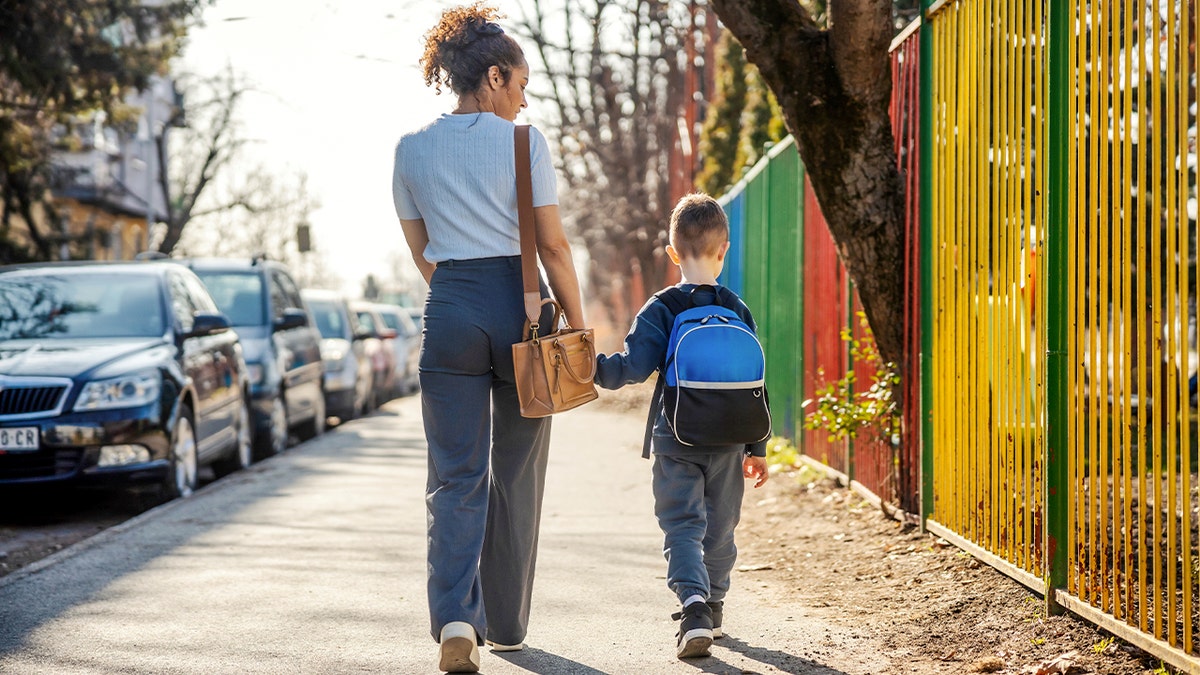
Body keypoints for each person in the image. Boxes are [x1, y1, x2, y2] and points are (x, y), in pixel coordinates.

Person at [391, 5, 585, 673]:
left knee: (455, 475)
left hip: (448, 311)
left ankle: (454, 617)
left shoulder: (411, 149)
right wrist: (579, 324)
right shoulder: (523, 143)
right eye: (521, 85)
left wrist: (455, 295)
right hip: (521, 309)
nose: (523, 99)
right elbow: (554, 247)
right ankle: (504, 621)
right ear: (494, 77)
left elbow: (422, 253)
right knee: (517, 471)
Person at [594, 193, 770, 660]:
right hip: (732, 441)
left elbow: (630, 369)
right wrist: (759, 448)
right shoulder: (737, 308)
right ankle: (712, 605)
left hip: (676, 438)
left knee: (681, 525)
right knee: (721, 528)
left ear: (673, 253)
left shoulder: (662, 308)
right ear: (724, 249)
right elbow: (752, 381)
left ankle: (692, 607)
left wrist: (588, 367)